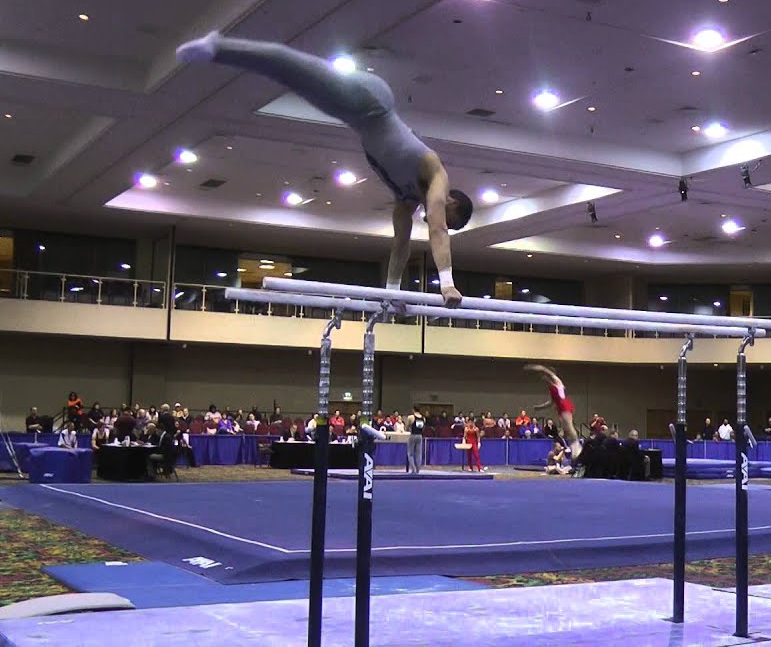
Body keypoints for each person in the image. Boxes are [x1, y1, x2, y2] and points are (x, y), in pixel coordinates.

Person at [175, 32, 472, 306]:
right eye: (452, 221)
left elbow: (401, 246)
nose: (444, 224)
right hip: (373, 102)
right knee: (293, 71)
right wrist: (447, 284)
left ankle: (221, 49)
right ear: (451, 202)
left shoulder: (405, 202)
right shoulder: (436, 175)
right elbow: (437, 230)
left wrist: (391, 293)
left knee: (295, 80)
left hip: (359, 116)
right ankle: (218, 46)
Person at [524, 364, 583, 459]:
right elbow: (551, 402)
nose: (543, 378)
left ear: (549, 375)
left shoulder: (557, 381)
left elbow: (545, 370)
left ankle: (577, 447)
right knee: (566, 430)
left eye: (544, 376)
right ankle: (574, 448)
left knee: (569, 426)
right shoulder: (551, 387)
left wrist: (535, 367)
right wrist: (539, 407)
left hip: (564, 405)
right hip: (560, 407)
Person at [405, 407, 426, 474]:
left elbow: (407, 427)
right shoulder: (423, 418)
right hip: (420, 436)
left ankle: (413, 469)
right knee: (418, 454)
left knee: (410, 453)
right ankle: (418, 470)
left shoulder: (411, 417)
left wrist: (409, 429)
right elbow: (423, 428)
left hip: (413, 435)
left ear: (413, 410)